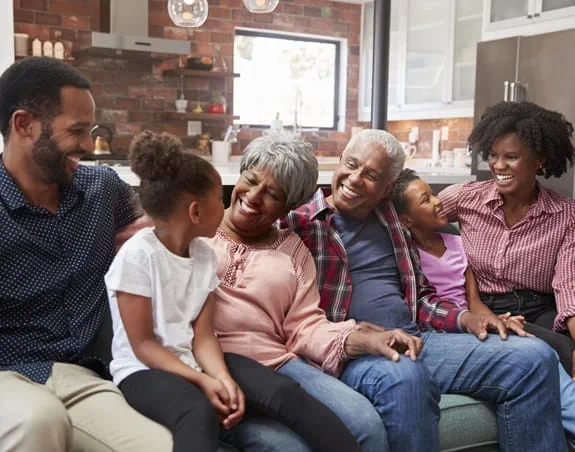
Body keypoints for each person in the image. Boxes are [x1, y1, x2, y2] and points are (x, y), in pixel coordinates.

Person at [282, 128, 568, 452]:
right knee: (405, 376)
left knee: (534, 357)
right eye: (351, 163)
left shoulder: (391, 218)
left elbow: (420, 298)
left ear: (387, 189)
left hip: (420, 339)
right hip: (356, 351)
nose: (355, 178)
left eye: (371, 175)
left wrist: (465, 319)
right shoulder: (301, 223)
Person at [105, 130, 360, 452]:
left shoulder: (203, 255)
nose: (229, 205)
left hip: (195, 359)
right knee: (197, 411)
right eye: (218, 199)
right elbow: (142, 345)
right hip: (143, 370)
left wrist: (222, 378)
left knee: (285, 393)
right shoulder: (138, 254)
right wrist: (203, 380)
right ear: (196, 212)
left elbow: (203, 336)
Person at [209, 131, 439, 452]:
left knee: (366, 425)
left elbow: (306, 327)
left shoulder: (293, 249)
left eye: (273, 194)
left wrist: (360, 338)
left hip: (278, 365)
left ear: (287, 208)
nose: (255, 196)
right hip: (211, 361)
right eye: (251, 179)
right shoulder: (196, 229)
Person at [0, 57, 172, 450]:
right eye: (76, 130)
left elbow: (152, 234)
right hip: (7, 374)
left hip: (83, 376)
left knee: (162, 445)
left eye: (89, 130)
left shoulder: (102, 189)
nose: (87, 144)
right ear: (23, 124)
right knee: (38, 420)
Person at [390, 168, 575, 443]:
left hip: (474, 326)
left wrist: (500, 323)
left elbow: (474, 302)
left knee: (543, 352)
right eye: (425, 199)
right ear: (405, 218)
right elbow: (419, 308)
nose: (438, 200)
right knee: (534, 358)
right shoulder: (406, 255)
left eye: (433, 193)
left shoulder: (457, 244)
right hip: (443, 333)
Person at [438, 101, 575, 373]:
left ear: (539, 160)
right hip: (480, 305)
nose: (498, 165)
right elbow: (412, 211)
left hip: (539, 309)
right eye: (492, 155)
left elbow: (568, 287)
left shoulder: (566, 215)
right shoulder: (466, 198)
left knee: (565, 350)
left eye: (511, 157)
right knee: (552, 352)